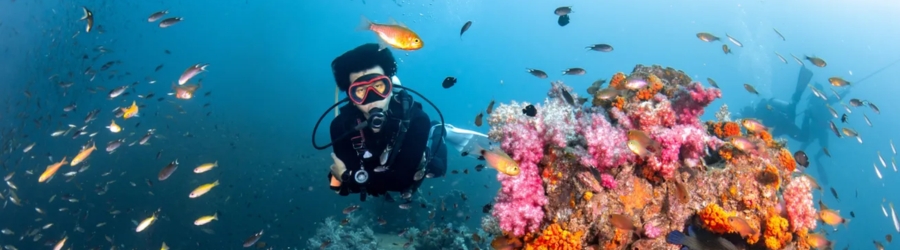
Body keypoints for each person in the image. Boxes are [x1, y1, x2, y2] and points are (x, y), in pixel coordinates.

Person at [320, 43, 491, 201]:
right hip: (376, 166)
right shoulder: (340, 127)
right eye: (361, 91)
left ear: (389, 87)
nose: (372, 99)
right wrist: (346, 180)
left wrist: (351, 177)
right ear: (352, 97)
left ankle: (439, 130)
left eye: (379, 86)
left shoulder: (417, 120)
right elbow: (343, 187)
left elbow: (403, 180)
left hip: (409, 161)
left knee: (436, 169)